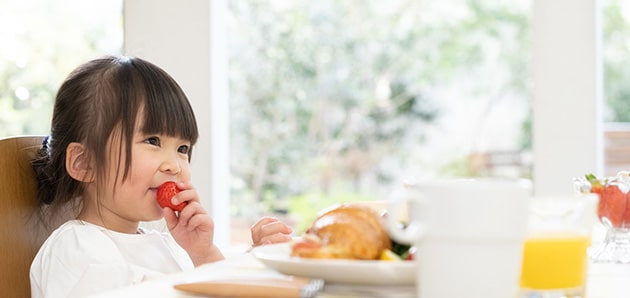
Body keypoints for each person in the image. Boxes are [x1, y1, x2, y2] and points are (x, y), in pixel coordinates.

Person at [29, 55, 293, 298]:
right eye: (153, 140)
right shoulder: (77, 249)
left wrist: (205, 254)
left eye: (183, 149)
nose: (175, 165)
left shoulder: (168, 246)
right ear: (84, 163)